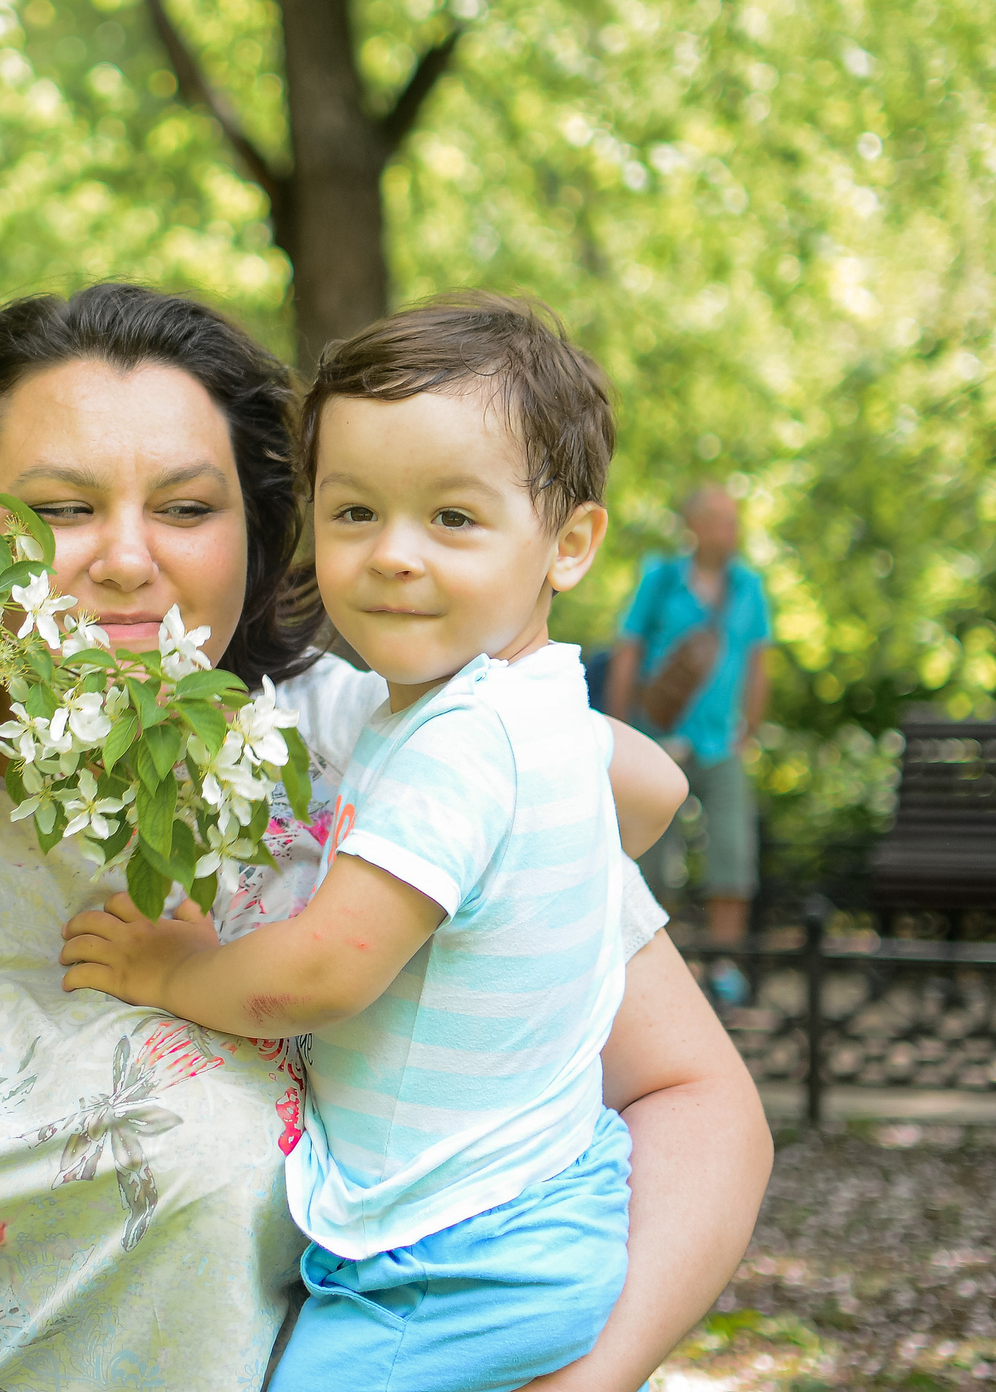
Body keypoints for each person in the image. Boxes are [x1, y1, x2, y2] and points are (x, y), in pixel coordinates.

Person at [0, 284, 770, 1392]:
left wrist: (576, 1383)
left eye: (188, 509)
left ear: (260, 535)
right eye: (59, 509)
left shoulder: (375, 747)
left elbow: (692, 1093)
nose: (127, 559)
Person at [61, 296, 636, 1392]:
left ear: (568, 545)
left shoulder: (461, 743)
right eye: (356, 512)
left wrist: (169, 971)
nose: (393, 556)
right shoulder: (538, 702)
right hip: (546, 1184)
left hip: (454, 1249)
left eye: (452, 519)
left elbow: (323, 973)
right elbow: (648, 791)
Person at [606, 483, 773, 977]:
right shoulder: (660, 580)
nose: (731, 530)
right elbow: (628, 650)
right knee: (651, 862)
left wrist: (751, 728)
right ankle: (650, 971)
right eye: (720, 520)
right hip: (657, 741)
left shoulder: (748, 587)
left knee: (732, 854)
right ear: (694, 527)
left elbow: (759, 660)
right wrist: (620, 728)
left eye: (734, 520)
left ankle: (725, 970)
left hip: (721, 744)